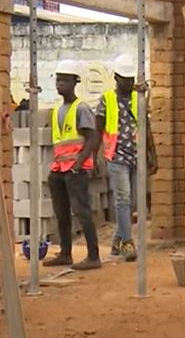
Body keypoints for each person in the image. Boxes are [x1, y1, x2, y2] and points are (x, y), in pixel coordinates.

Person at [95, 54, 157, 261]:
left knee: (131, 202)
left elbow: (146, 127)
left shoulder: (137, 98)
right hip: (116, 156)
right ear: (116, 78)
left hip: (136, 156)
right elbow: (98, 129)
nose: (129, 83)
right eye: (125, 79)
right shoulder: (107, 99)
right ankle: (127, 243)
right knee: (123, 199)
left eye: (131, 79)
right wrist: (95, 157)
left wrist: (152, 154)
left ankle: (116, 241)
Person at [44, 60, 102, 270]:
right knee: (61, 212)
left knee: (82, 211)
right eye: (58, 80)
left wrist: (78, 164)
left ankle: (93, 256)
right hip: (59, 169)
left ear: (73, 83)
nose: (60, 84)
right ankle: (65, 253)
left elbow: (92, 138)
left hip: (75, 170)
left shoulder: (82, 108)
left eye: (64, 81)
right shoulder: (58, 109)